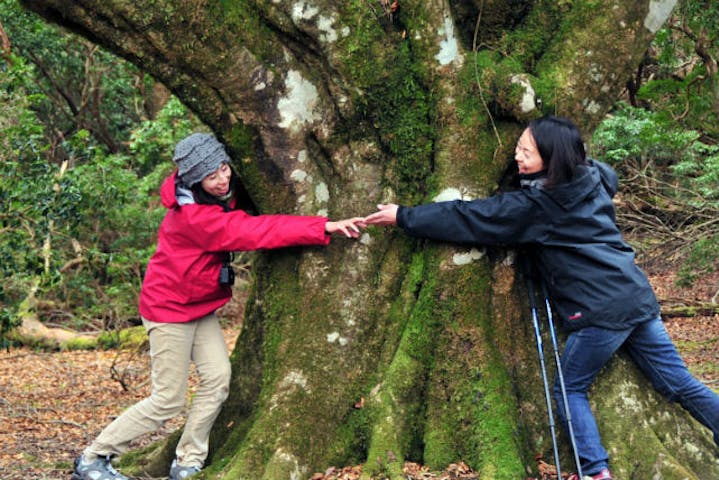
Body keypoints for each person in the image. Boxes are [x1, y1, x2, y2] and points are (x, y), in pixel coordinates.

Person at [363, 115, 719, 480]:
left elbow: (474, 217)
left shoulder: (540, 206)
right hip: (637, 298)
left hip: (599, 311)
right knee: (678, 383)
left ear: (551, 157)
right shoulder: (594, 177)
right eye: (518, 147)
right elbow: (605, 173)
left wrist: (405, 216)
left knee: (569, 389)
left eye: (526, 152)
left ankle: (595, 470)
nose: (516, 156)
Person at [73, 133, 364, 480]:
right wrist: (322, 226)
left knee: (218, 379)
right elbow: (257, 230)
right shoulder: (195, 218)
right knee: (167, 400)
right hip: (168, 311)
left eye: (224, 168)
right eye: (212, 176)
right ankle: (93, 457)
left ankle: (187, 461)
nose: (223, 178)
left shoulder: (218, 194)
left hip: (199, 307)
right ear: (197, 180)